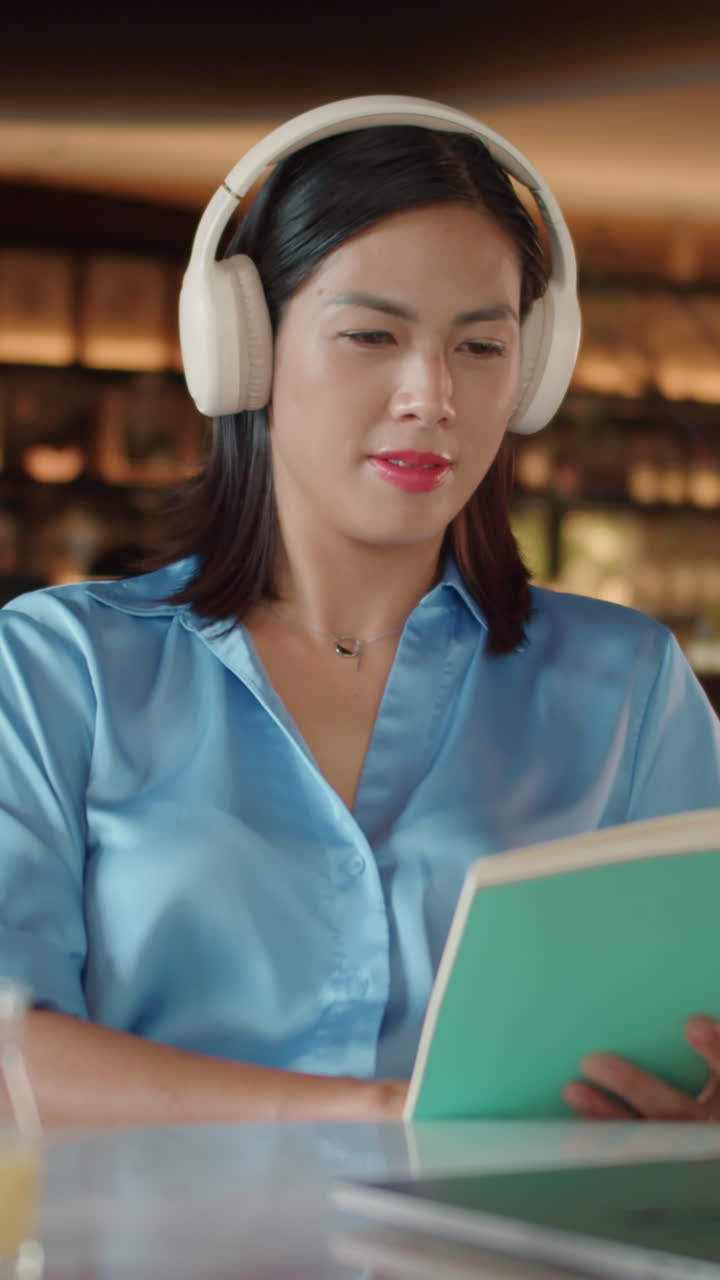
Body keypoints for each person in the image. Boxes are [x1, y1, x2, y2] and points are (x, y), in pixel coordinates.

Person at [0, 96, 718, 1130]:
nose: (431, 395)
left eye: (481, 346)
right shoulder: (56, 669)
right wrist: (389, 1116)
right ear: (245, 350)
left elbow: (686, 1020)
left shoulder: (629, 687)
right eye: (372, 334)